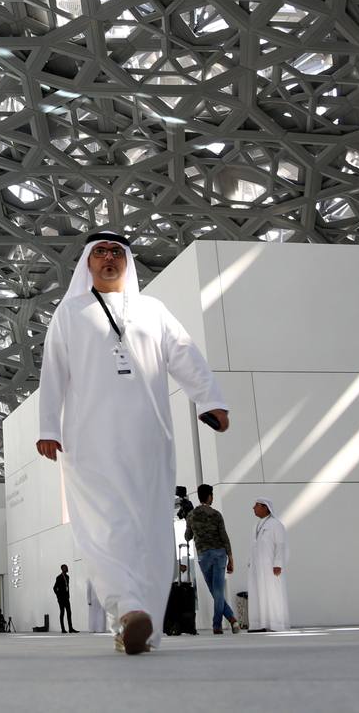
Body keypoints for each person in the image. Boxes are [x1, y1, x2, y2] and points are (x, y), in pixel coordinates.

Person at [35, 230, 229, 655]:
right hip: (89, 439)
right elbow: (53, 372)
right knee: (104, 526)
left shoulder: (152, 310)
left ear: (127, 261)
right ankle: (127, 608)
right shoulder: (70, 312)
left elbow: (184, 354)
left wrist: (210, 399)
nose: (108, 258)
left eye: (116, 252)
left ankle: (141, 622)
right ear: (87, 261)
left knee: (153, 527)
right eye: (100, 252)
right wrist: (48, 426)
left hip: (148, 436)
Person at [185, 484, 240, 634]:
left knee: (215, 591)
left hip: (204, 556)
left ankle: (223, 623)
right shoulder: (216, 515)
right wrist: (231, 559)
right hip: (219, 554)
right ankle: (227, 621)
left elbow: (187, 536)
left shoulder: (191, 515)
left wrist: (188, 522)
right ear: (209, 496)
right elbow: (224, 537)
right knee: (218, 591)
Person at [248, 497, 290, 632]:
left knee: (273, 594)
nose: (253, 508)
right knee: (258, 595)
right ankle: (259, 624)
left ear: (265, 507)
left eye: (256, 505)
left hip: (271, 567)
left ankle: (276, 624)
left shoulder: (276, 524)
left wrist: (278, 563)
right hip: (257, 567)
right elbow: (254, 546)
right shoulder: (256, 525)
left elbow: (281, 546)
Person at [53, 564, 79, 633]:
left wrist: (68, 596)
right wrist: (58, 596)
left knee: (69, 613)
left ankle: (70, 628)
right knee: (62, 612)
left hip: (66, 598)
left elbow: (67, 587)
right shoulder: (59, 577)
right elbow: (54, 588)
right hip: (61, 598)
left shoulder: (67, 577)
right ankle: (63, 629)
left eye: (67, 567)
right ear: (62, 569)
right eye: (65, 568)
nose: (67, 568)